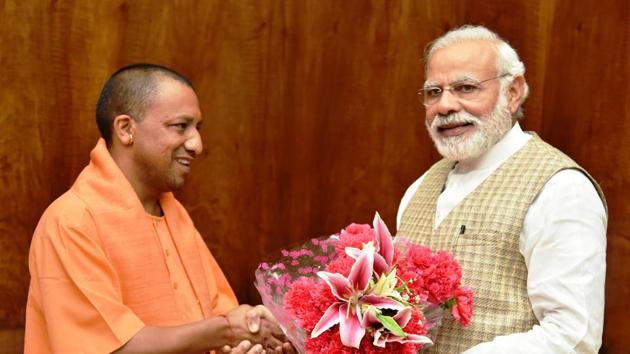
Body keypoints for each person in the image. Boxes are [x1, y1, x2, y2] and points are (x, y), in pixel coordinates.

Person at [25, 64, 294, 354]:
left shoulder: (172, 212)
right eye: (181, 126)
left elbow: (219, 314)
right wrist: (228, 331)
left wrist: (251, 340)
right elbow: (113, 348)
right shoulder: (72, 221)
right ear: (126, 129)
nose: (197, 144)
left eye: (197, 128)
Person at [396, 25, 607, 353]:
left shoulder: (561, 188)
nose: (445, 106)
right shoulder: (419, 188)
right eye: (433, 92)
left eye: (465, 87)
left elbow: (572, 337)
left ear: (512, 92)